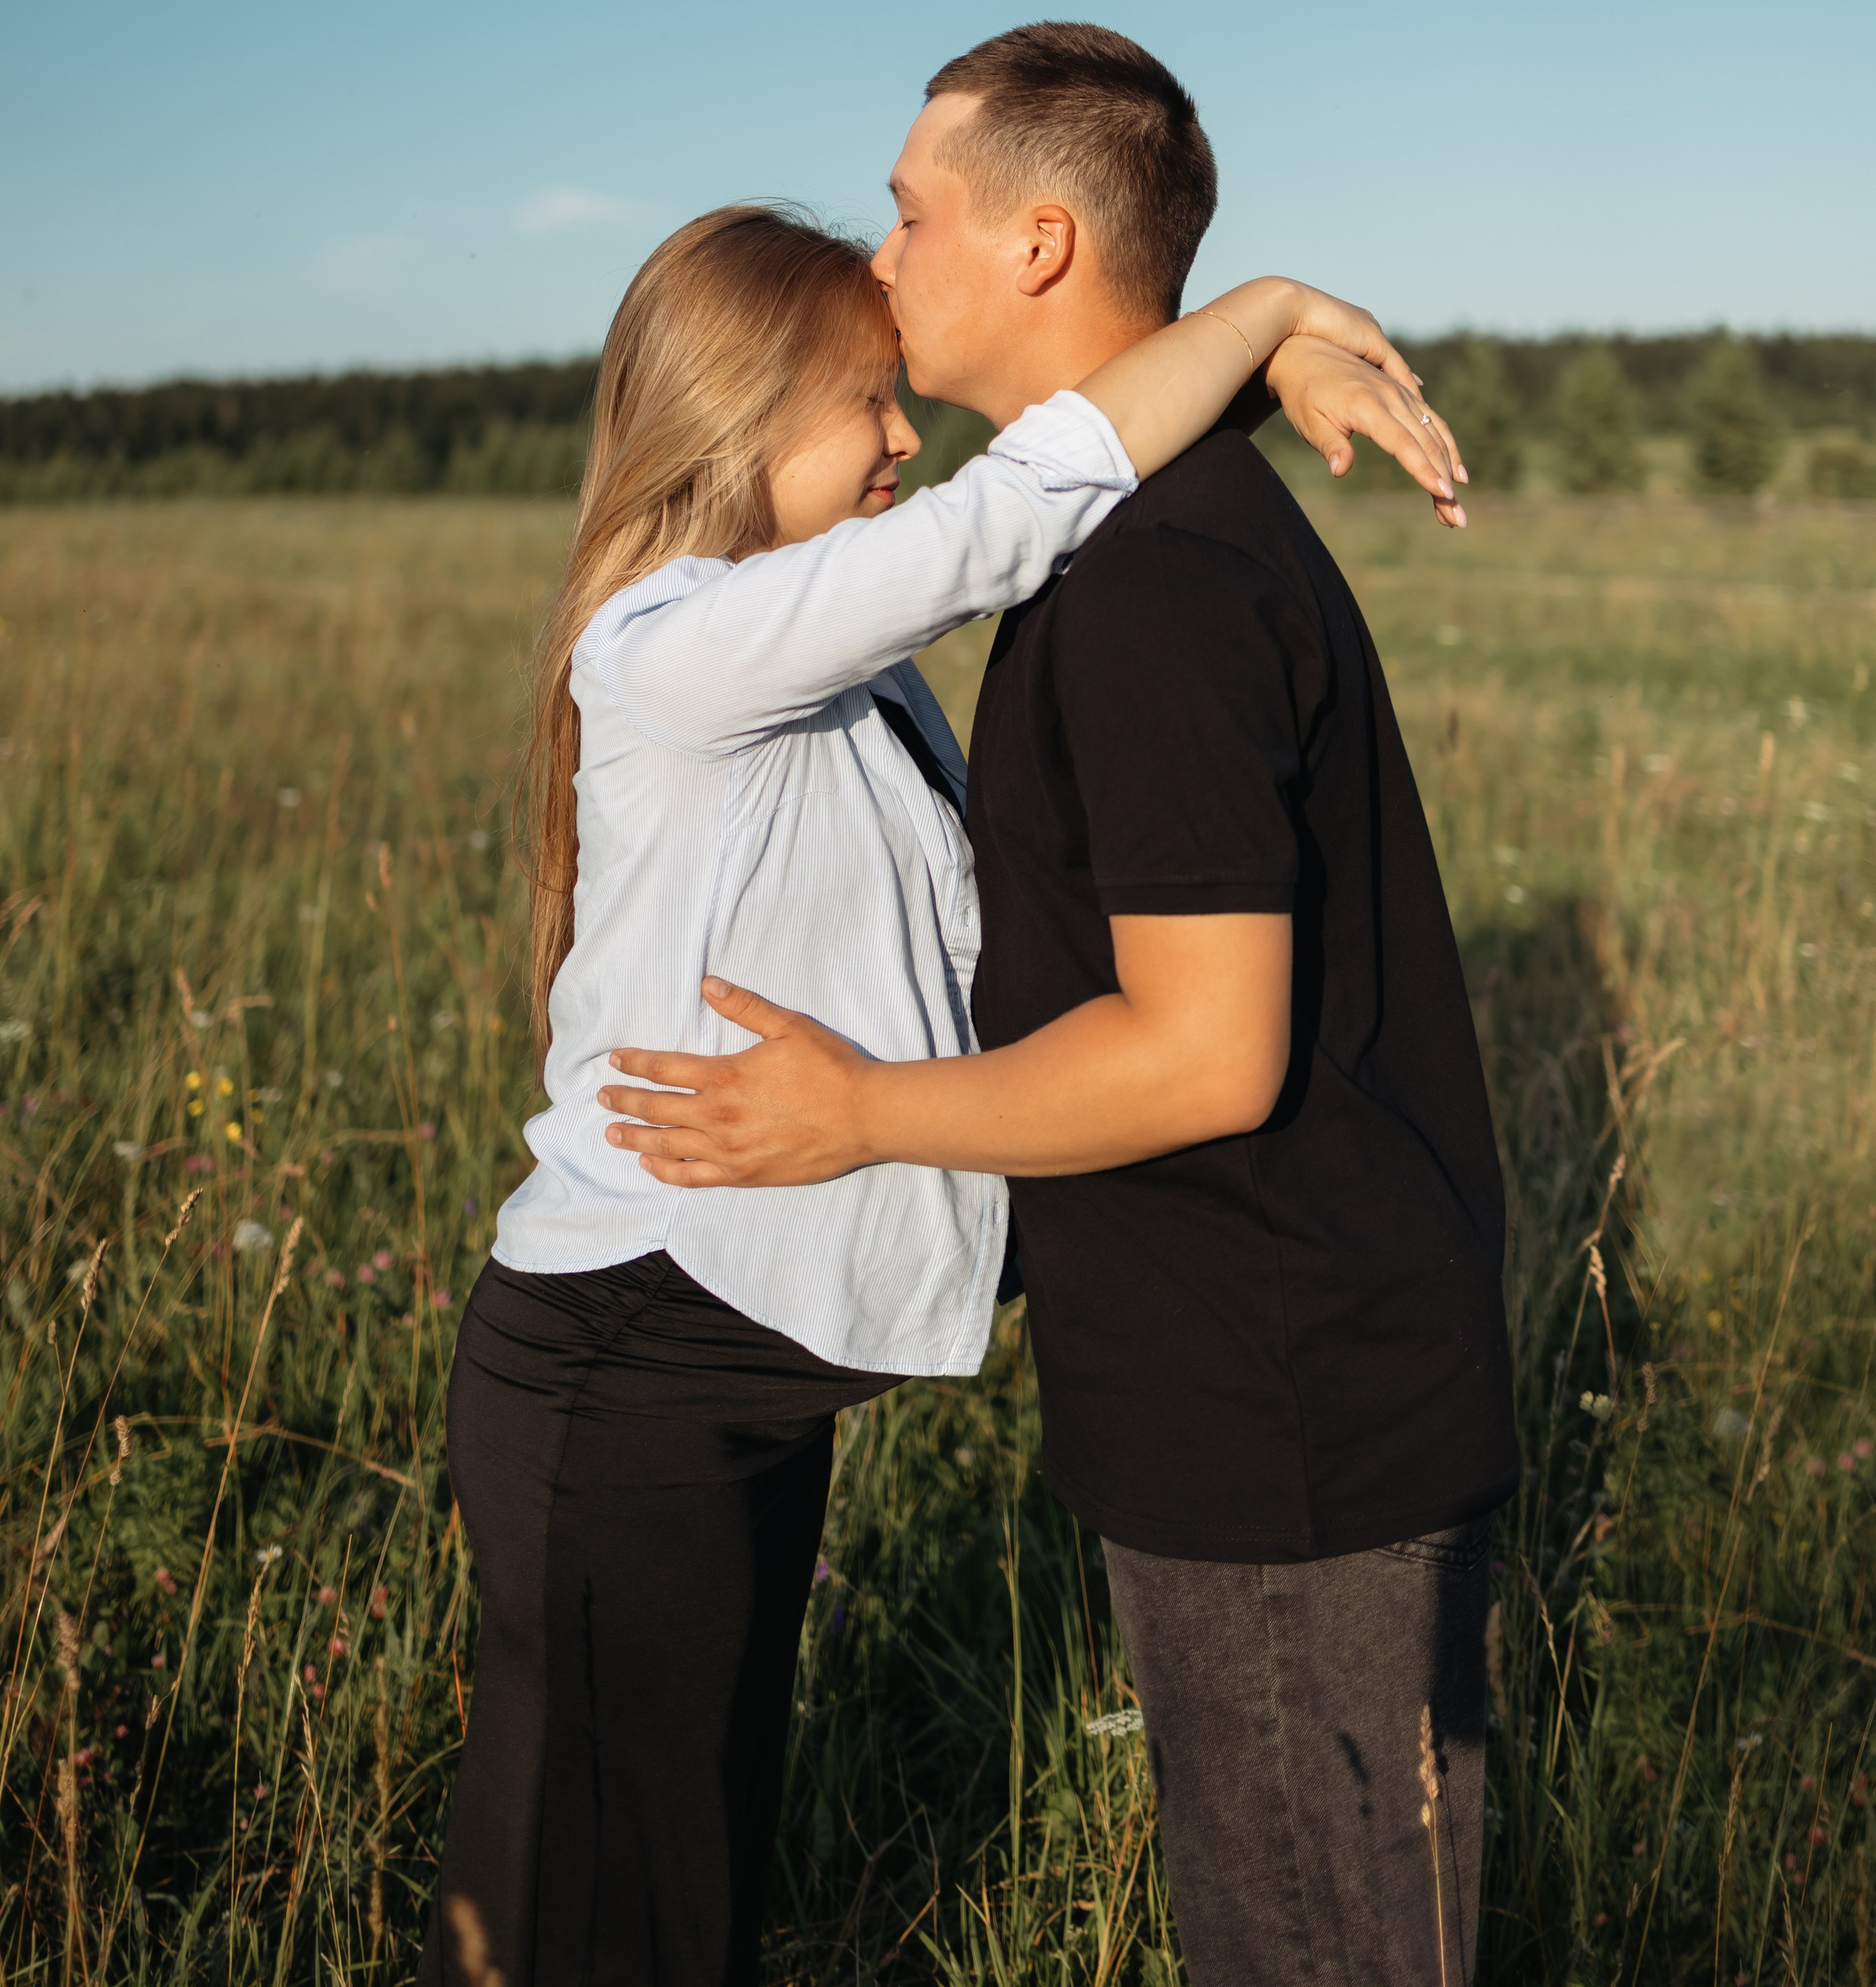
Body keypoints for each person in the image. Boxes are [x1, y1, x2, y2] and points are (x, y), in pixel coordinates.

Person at [421, 189, 1460, 1987]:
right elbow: (1012, 512)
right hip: (630, 1364)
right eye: (864, 402)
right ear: (736, 418)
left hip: (707, 1375)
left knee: (672, 1884)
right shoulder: (675, 646)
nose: (905, 433)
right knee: (594, 1915)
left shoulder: (821, 664)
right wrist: (1267, 311)